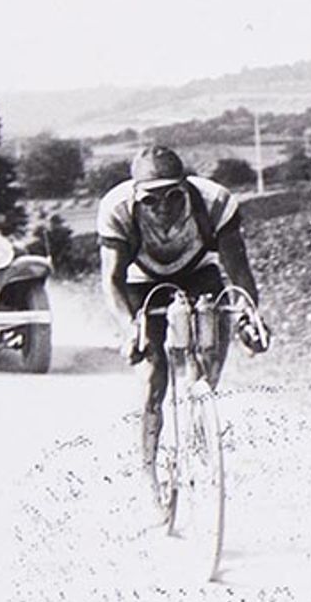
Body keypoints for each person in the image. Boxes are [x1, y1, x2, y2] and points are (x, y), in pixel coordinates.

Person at [98, 145, 268, 490]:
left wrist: (249, 316)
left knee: (209, 359)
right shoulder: (116, 209)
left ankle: (200, 420)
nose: (163, 208)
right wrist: (131, 330)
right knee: (153, 375)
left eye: (173, 197)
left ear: (187, 187)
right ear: (135, 195)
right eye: (150, 200)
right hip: (141, 281)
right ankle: (149, 474)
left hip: (198, 272)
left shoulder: (215, 202)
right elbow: (111, 280)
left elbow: (238, 272)